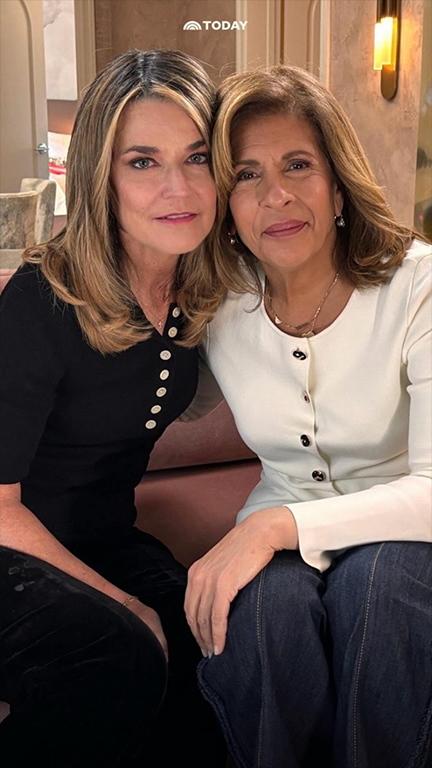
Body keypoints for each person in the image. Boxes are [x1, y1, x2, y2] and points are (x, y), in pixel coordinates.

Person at [182, 64, 432, 768]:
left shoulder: (418, 285)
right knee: (261, 614)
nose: (278, 195)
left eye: (299, 165)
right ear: (226, 203)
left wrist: (271, 526)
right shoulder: (219, 302)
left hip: (407, 535)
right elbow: (160, 403)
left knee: (379, 590)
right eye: (247, 175)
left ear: (339, 184)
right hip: (278, 534)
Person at [0, 49, 226, 767]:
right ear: (102, 176)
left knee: (213, 644)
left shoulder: (204, 291)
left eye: (197, 157)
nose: (177, 187)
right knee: (119, 651)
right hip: (13, 550)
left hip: (104, 538)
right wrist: (123, 605)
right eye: (142, 162)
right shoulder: (43, 298)